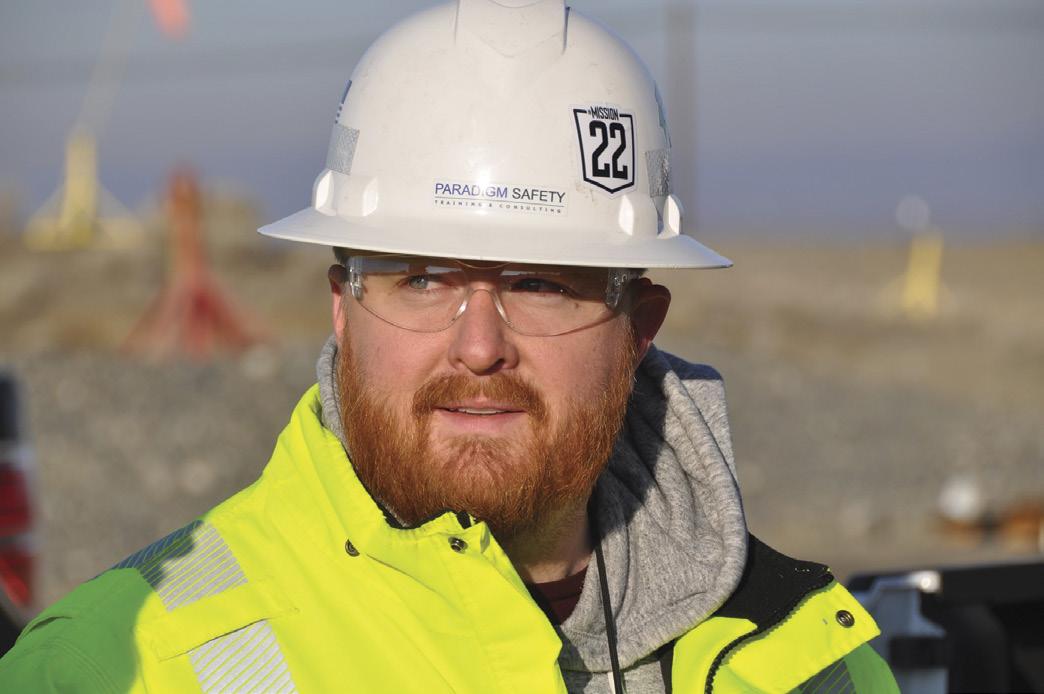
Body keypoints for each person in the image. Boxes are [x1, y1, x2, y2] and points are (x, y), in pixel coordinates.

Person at [0, 1, 897, 691]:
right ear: (343, 309)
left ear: (641, 326)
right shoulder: (115, 663)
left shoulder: (804, 658)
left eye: (540, 284)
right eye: (422, 279)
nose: (478, 347)